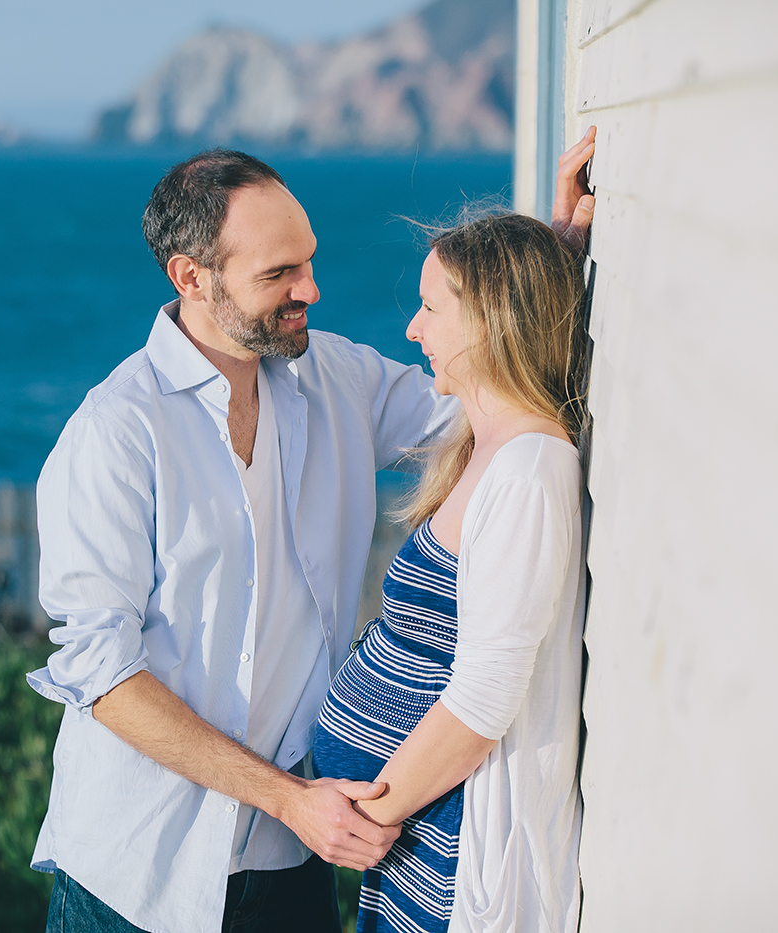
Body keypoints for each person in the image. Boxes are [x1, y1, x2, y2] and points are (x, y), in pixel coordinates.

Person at [28, 132, 596, 933]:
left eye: (308, 260)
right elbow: (102, 675)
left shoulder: (339, 377)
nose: (313, 288)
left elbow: (492, 388)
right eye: (279, 274)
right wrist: (290, 801)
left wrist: (543, 269)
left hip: (293, 870)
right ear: (191, 278)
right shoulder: (115, 433)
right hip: (141, 873)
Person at [310, 201, 594, 930]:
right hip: (418, 842)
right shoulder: (485, 443)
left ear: (489, 321)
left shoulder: (529, 471)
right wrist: (555, 242)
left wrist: (371, 813)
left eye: (431, 307)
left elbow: (485, 695)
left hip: (450, 849)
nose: (413, 328)